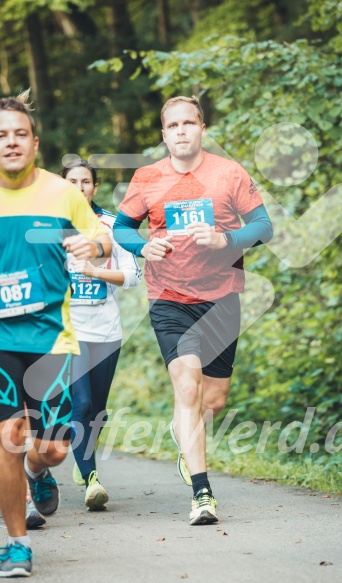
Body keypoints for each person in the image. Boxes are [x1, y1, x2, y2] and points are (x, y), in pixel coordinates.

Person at [113, 95, 273, 525]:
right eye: (173, 125)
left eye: (189, 123)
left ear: (202, 128)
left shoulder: (229, 173)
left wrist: (228, 240)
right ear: (164, 134)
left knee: (213, 399)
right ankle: (202, 493)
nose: (181, 130)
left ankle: (184, 432)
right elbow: (122, 228)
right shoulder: (147, 177)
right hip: (168, 297)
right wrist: (144, 246)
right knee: (187, 385)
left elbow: (264, 227)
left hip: (221, 296)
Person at [0, 90, 111, 577]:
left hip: (51, 339)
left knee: (52, 448)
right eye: (1, 135)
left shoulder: (61, 193)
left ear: (35, 142)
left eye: (19, 134)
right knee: (7, 438)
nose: (10, 142)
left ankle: (38, 473)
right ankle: (17, 544)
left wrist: (95, 243)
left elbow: (103, 239)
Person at [60, 159, 141, 510]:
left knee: (99, 410)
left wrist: (95, 272)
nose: (79, 188)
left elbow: (132, 276)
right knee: (82, 403)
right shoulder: (51, 226)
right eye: (72, 182)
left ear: (95, 187)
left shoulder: (112, 225)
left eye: (86, 182)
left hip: (106, 328)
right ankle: (92, 479)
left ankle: (82, 457)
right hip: (68, 330)